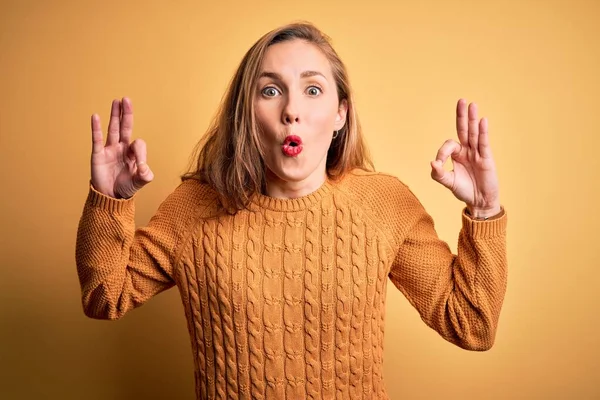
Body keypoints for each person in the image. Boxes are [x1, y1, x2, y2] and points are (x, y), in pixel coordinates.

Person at [76, 21, 507, 400]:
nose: (291, 112)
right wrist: (108, 198)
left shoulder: (384, 204)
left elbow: (471, 324)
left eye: (313, 89)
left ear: (340, 114)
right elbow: (104, 296)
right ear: (247, 113)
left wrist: (485, 210)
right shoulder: (194, 208)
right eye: (270, 90)